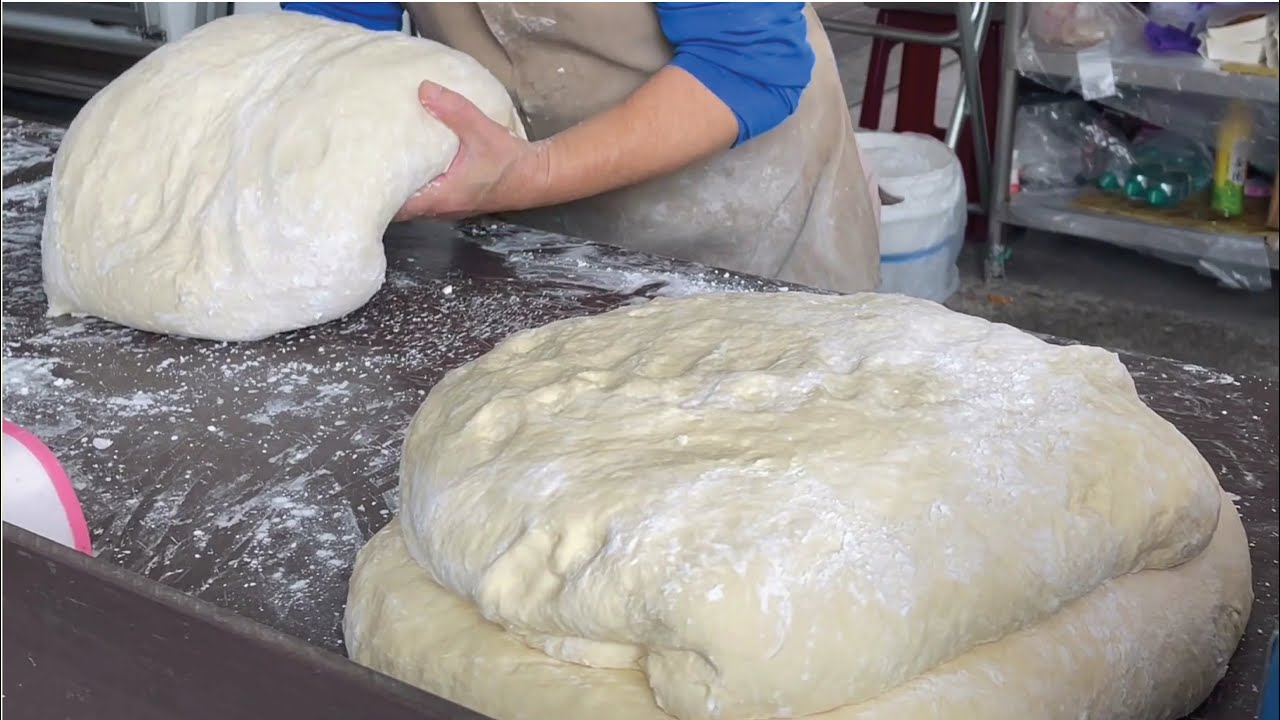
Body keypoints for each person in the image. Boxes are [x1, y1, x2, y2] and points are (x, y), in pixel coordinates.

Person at [280, 2, 881, 293]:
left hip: (740, 223)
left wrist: (535, 172)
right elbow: (340, 31)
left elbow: (748, 65)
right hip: (526, 225)